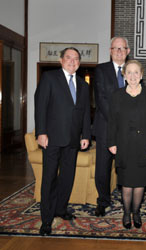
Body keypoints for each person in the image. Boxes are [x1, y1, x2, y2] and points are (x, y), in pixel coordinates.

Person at [34, 47, 91, 236]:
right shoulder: (50, 78)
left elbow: (84, 114)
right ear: (61, 60)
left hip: (73, 140)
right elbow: (40, 105)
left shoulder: (83, 85)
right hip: (52, 139)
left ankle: (60, 208)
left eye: (76, 59)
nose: (72, 61)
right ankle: (46, 220)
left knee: (67, 177)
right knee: (49, 179)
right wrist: (41, 132)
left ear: (79, 63)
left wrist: (86, 136)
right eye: (68, 58)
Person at [107, 60, 146, 229]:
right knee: (126, 182)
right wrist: (111, 142)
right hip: (124, 145)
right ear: (124, 75)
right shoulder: (117, 95)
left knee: (139, 182)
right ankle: (126, 213)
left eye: (136, 72)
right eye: (128, 72)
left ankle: (136, 212)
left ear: (141, 75)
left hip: (144, 144)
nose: (132, 76)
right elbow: (112, 122)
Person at [92, 37, 130, 217]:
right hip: (105, 127)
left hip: (128, 130)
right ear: (110, 50)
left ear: (128, 51)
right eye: (116, 48)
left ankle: (127, 200)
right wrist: (118, 123)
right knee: (103, 167)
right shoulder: (101, 70)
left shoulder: (133, 70)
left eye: (123, 48)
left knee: (126, 166)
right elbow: (101, 100)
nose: (119, 51)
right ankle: (103, 201)